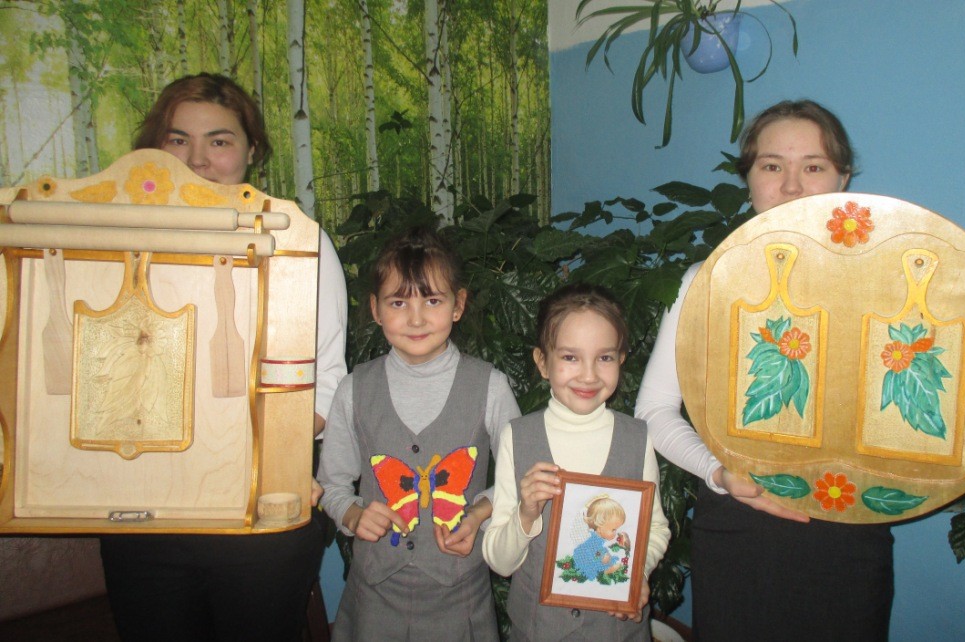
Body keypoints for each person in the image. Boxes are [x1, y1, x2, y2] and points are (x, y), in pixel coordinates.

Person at [99, 73, 348, 642]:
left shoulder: (294, 240)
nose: (198, 159)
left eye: (219, 140)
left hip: (259, 510)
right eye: (177, 139)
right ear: (154, 148)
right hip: (143, 514)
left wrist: (259, 456)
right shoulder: (112, 241)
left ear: (251, 150)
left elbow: (328, 381)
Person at [636, 99, 895, 641]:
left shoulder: (895, 288)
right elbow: (653, 411)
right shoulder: (703, 283)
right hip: (738, 529)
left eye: (814, 166)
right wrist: (719, 472)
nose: (792, 186)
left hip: (851, 528)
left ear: (843, 179)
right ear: (749, 178)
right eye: (772, 165)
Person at [317, 226, 521, 641]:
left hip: (460, 599)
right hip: (374, 599)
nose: (416, 318)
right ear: (375, 309)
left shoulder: (490, 386)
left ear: (458, 305)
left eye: (432, 300)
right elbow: (332, 485)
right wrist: (354, 514)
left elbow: (518, 480)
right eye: (398, 302)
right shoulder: (354, 389)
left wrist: (479, 514)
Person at [483, 283, 670, 641]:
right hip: (539, 631)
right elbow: (500, 562)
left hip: (617, 631)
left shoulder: (637, 438)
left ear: (621, 360)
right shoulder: (517, 437)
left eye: (605, 358)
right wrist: (526, 514)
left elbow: (655, 529)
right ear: (543, 362)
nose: (588, 375)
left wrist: (636, 575)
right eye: (570, 357)